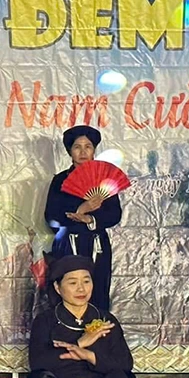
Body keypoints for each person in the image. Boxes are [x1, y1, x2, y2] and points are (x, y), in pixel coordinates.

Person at [25, 255, 145, 378]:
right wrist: (80, 343)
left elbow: (125, 363)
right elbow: (38, 362)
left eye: (86, 281)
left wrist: (90, 356)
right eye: (73, 283)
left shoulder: (106, 320)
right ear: (57, 287)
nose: (81, 289)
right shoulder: (45, 320)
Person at [43, 125, 122, 311]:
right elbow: (51, 217)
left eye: (88, 146)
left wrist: (90, 220)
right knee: (67, 291)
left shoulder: (104, 178)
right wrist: (81, 209)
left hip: (97, 245)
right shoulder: (60, 180)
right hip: (68, 244)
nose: (83, 152)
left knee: (97, 289)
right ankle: (67, 328)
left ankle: (97, 328)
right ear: (70, 151)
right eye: (77, 147)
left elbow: (114, 214)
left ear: (94, 150)